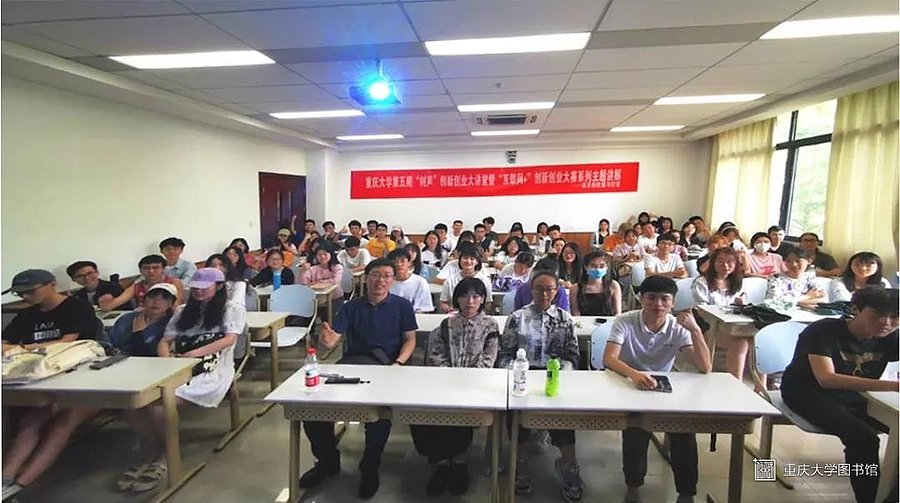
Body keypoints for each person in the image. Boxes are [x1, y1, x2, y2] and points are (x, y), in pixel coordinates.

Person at [300, 259, 417, 499]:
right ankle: (327, 461)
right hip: (351, 365)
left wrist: (398, 364)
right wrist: (327, 340)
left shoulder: (402, 306)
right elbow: (333, 339)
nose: (380, 280)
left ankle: (370, 465)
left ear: (392, 280)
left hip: (386, 367)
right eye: (375, 275)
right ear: (366, 278)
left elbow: (410, 340)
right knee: (312, 411)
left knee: (378, 416)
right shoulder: (352, 307)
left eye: (386, 276)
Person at [781, 287, 899, 503]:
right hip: (807, 392)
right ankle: (868, 499)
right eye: (877, 315)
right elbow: (826, 379)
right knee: (863, 437)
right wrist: (892, 386)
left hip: (855, 394)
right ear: (856, 309)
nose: (887, 323)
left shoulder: (892, 337)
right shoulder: (823, 330)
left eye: (896, 317)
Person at [604, 276, 712, 503]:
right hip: (627, 385)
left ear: (673, 302)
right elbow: (609, 359)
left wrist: (695, 330)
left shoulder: (678, 327)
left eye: (665, 299)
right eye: (651, 298)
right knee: (635, 430)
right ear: (641, 298)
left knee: (684, 432)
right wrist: (635, 374)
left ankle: (686, 493)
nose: (658, 304)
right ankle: (633, 488)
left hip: (662, 389)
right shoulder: (625, 321)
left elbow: (705, 367)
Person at [1, 270, 103, 499]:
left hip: (83, 380)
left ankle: (19, 486)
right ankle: (5, 478)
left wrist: (22, 348)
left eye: (30, 291)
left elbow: (67, 343)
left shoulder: (77, 307)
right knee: (32, 421)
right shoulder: (27, 315)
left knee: (63, 422)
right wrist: (28, 349)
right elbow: (3, 343)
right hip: (42, 379)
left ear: (52, 285)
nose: (25, 297)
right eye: (20, 293)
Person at [499, 270, 584, 500]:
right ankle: (520, 462)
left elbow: (573, 355)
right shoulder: (517, 317)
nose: (544, 294)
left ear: (556, 292)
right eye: (539, 289)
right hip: (523, 376)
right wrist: (515, 374)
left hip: (555, 376)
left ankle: (569, 466)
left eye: (549, 290)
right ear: (531, 290)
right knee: (517, 415)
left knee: (564, 417)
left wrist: (560, 375)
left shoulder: (565, 319)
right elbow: (505, 354)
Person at [411, 277, 499, 496]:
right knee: (426, 408)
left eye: (476, 297)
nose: (470, 301)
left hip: (477, 384)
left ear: (483, 300)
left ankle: (458, 461)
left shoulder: (490, 325)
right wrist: (450, 378)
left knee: (460, 407)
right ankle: (442, 462)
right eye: (464, 296)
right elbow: (436, 355)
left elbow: (488, 359)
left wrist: (465, 380)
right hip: (445, 382)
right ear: (457, 299)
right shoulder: (447, 324)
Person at [691, 247, 751, 380]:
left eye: (730, 262)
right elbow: (703, 310)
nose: (725, 265)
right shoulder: (702, 282)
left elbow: (742, 306)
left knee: (757, 340)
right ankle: (736, 382)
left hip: (733, 324)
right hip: (709, 325)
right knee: (741, 343)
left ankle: (760, 385)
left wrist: (742, 304)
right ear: (713, 263)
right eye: (720, 261)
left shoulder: (738, 283)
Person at [108, 283, 177, 358]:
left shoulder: (171, 324)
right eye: (152, 296)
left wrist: (137, 333)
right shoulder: (127, 319)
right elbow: (110, 342)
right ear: (144, 300)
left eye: (164, 298)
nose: (156, 302)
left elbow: (150, 353)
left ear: (171, 303)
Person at [101, 255, 184, 310]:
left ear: (163, 269)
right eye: (146, 268)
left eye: (155, 268)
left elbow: (175, 306)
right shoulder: (137, 286)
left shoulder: (174, 282)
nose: (151, 271)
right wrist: (105, 302)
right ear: (140, 271)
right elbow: (111, 305)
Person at [438, 243, 492, 313]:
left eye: (472, 259)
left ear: (477, 262)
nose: (468, 261)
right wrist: (449, 309)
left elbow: (488, 303)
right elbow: (443, 302)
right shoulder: (450, 280)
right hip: (455, 315)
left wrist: (477, 312)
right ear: (460, 260)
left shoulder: (484, 280)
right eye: (465, 258)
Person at [299, 244, 344, 318]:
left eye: (325, 254)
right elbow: (304, 284)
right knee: (305, 316)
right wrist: (303, 271)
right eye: (319, 255)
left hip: (335, 298)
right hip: (317, 299)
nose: (322, 257)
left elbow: (336, 281)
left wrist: (318, 282)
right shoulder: (313, 269)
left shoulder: (337, 267)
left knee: (329, 317)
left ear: (331, 254)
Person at [570, 252, 621, 316]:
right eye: (593, 266)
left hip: (608, 321)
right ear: (585, 267)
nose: (598, 269)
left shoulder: (613, 285)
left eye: (602, 266)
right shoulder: (575, 288)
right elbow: (575, 314)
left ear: (607, 267)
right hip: (583, 321)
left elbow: (617, 313)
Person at [66, 260, 130, 311]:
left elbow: (127, 308)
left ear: (97, 272)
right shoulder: (78, 295)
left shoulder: (113, 287)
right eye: (80, 276)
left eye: (89, 273)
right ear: (73, 279)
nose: (86, 278)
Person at [388, 248, 433, 313]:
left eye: (402, 261)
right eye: (395, 261)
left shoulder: (420, 282)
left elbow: (425, 308)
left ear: (409, 263)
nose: (399, 264)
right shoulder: (386, 282)